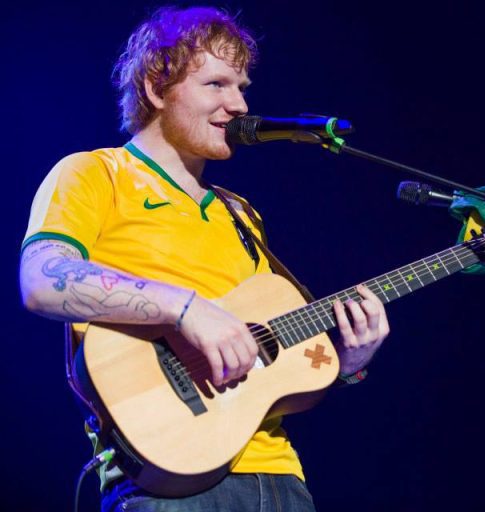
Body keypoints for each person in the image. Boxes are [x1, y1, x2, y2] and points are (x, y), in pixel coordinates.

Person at [18, 6, 389, 511]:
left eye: (242, 87)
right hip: (164, 478)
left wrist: (348, 364)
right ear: (156, 86)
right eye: (217, 84)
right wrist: (185, 308)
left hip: (281, 479)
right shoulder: (95, 173)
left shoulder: (241, 214)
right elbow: (42, 280)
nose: (238, 104)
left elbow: (272, 363)